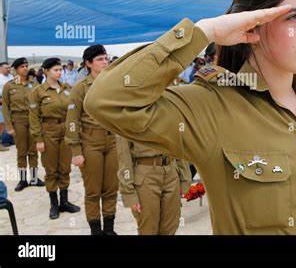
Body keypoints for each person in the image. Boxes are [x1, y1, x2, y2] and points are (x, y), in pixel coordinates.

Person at [84, 0, 296, 235]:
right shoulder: (212, 107)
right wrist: (204, 31)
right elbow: (107, 101)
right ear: (251, 23)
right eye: (294, 17)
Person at [65, 45, 119, 235]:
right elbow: (72, 120)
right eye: (99, 59)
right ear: (88, 64)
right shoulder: (80, 88)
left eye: (106, 58)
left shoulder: (114, 84)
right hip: (91, 143)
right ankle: (96, 231)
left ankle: (109, 229)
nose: (105, 62)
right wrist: (76, 151)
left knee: (112, 189)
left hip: (113, 142)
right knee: (94, 191)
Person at [29, 58, 81, 220]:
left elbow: (74, 112)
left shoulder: (67, 89)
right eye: (55, 70)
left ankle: (64, 201)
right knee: (51, 169)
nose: (59, 73)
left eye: (60, 70)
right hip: (48, 131)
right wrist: (38, 139)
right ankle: (54, 203)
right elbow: (34, 117)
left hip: (65, 131)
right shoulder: (38, 92)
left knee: (65, 167)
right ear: (46, 71)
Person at [116, 137, 189, 235]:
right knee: (148, 228)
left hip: (171, 172)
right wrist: (128, 192)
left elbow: (179, 144)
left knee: (171, 225)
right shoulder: (127, 121)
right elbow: (124, 156)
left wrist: (185, 178)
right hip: (145, 175)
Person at [2, 58, 44, 191]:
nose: (25, 68)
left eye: (26, 66)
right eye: (22, 67)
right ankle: (22, 179)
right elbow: (5, 107)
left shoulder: (34, 83)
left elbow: (40, 103)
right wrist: (9, 126)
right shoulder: (9, 86)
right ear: (16, 70)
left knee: (33, 150)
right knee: (21, 151)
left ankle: (33, 178)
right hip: (18, 119)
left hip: (32, 119)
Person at [0, 62, 13, 151]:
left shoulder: (11, 77)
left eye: (9, 68)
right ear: (0, 68)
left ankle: (7, 140)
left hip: (10, 103)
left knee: (7, 123)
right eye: (6, 68)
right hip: (1, 103)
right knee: (1, 124)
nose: (8, 69)